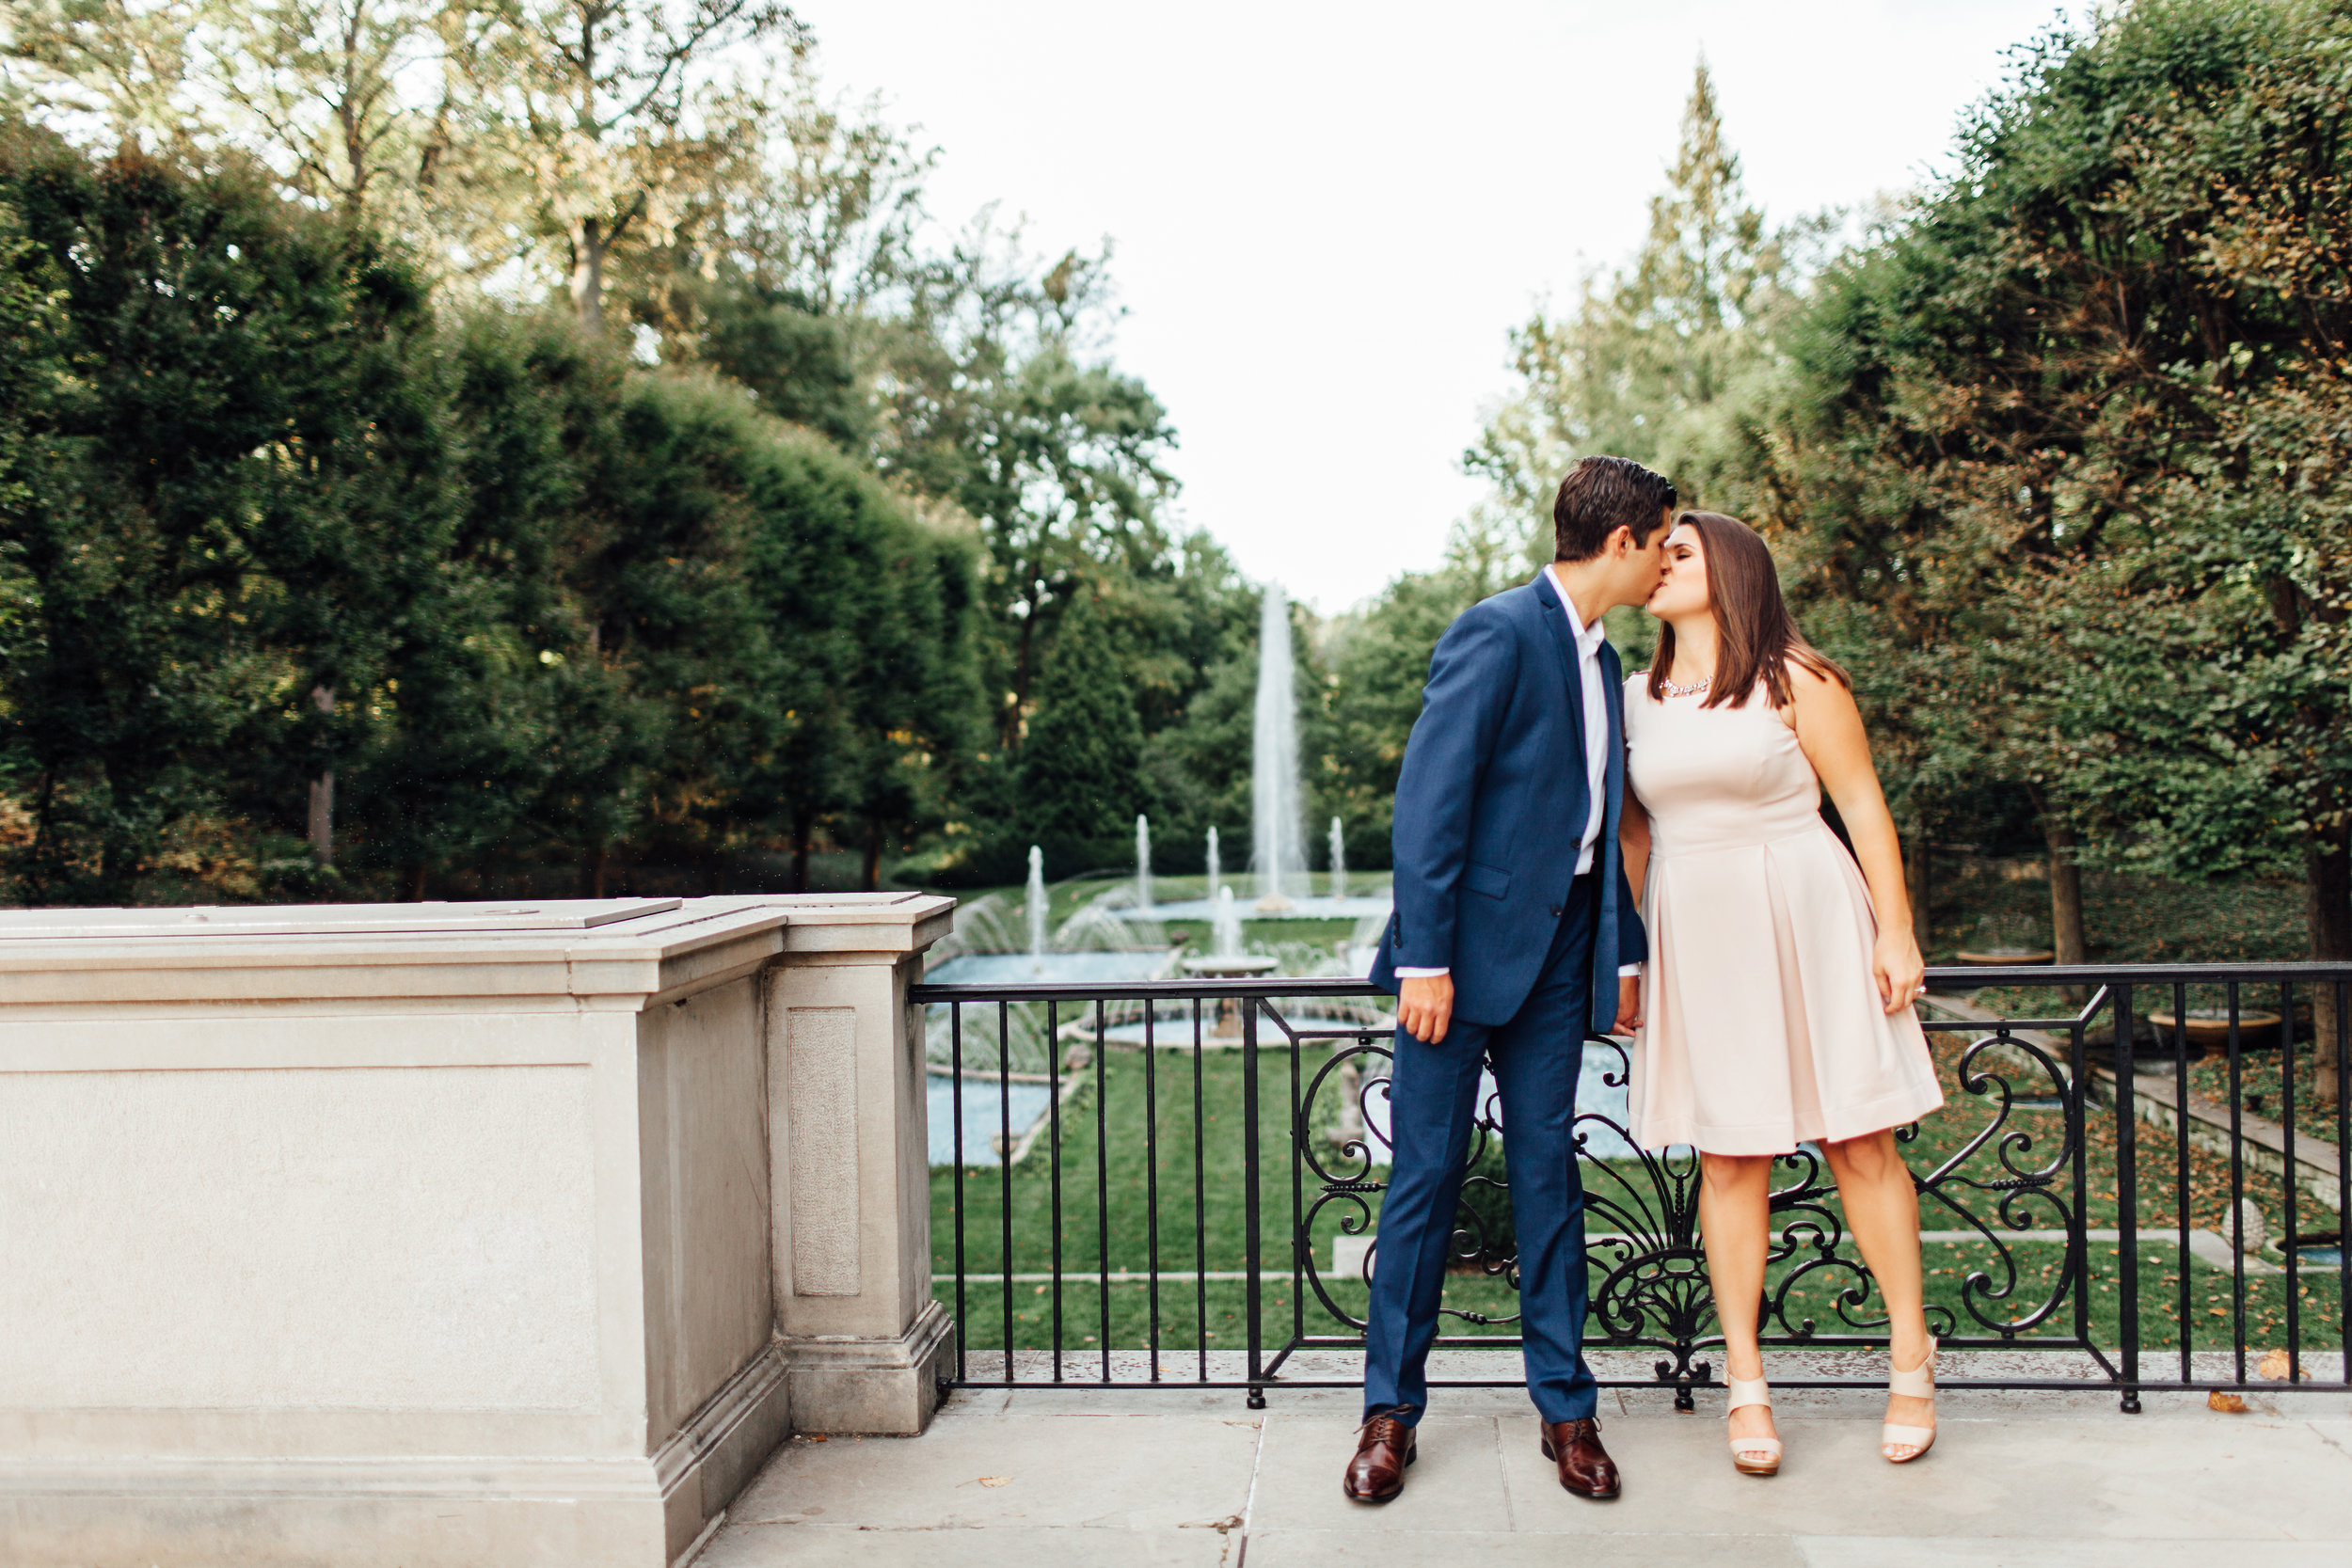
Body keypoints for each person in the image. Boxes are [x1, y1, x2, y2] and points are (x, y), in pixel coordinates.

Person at [1353, 454, 1672, 1504]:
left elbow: (1591, 832)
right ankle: (1388, 1413)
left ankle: (1566, 1412)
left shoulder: (1605, 655)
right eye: (1661, 539)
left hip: (1555, 967)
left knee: (1548, 1179)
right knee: (1425, 1182)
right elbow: (1428, 806)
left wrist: (1619, 950)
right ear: (1620, 540)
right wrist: (1424, 959)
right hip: (1455, 967)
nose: (1668, 556)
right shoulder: (1496, 630)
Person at [1619, 510, 1945, 1475]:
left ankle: (1911, 1360)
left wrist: (1894, 927)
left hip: (1809, 912)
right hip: (1698, 930)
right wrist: (1632, 957)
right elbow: (1635, 837)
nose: (1657, 564)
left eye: (1678, 552)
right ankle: (1746, 1384)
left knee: (1858, 1139)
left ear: (1732, 572)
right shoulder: (1632, 695)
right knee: (1729, 1156)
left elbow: (1862, 806)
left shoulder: (1798, 676)